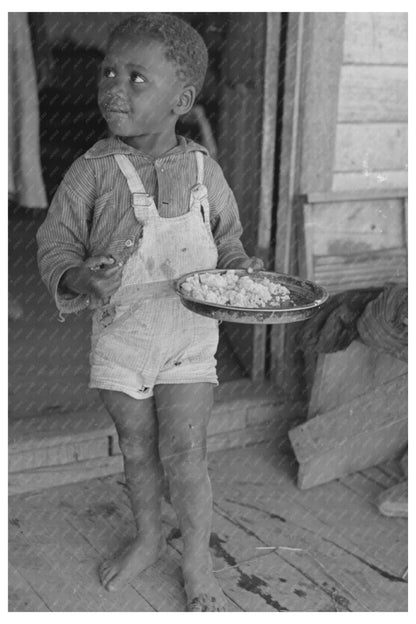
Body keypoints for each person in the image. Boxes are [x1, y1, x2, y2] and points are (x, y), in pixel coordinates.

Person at [37, 13, 263, 612]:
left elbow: (229, 239)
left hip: (189, 333)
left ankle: (196, 561)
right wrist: (80, 275)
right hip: (123, 335)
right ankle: (145, 537)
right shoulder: (89, 172)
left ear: (181, 100)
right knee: (137, 447)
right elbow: (54, 243)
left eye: (138, 77)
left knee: (186, 451)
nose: (115, 85)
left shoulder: (202, 171)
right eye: (109, 71)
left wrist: (240, 270)